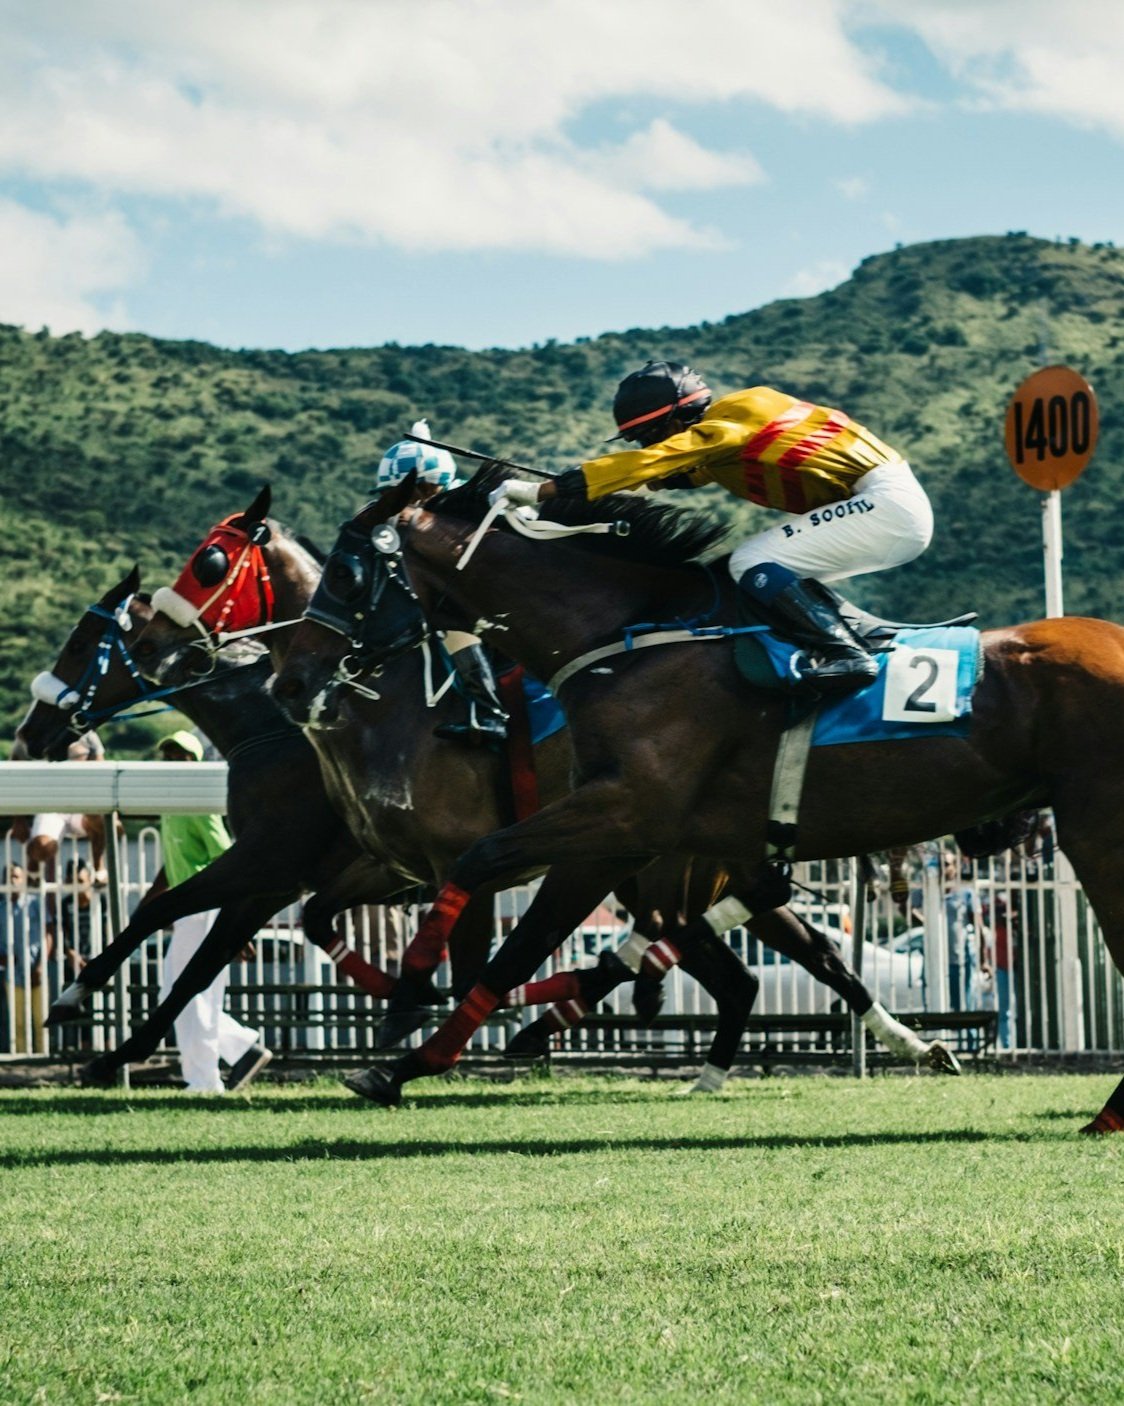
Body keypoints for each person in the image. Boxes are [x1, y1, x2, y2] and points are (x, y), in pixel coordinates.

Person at [493, 361, 933, 694]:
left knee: (752, 561)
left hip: (883, 504)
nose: (652, 446)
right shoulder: (731, 433)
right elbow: (688, 469)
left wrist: (540, 491)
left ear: (678, 417)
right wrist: (649, 475)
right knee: (766, 573)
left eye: (650, 434)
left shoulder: (734, 415)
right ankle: (857, 633)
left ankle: (846, 654)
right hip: (884, 506)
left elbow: (663, 460)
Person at [148, 731, 271, 1092]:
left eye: (180, 756)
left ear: (195, 762)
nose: (172, 761)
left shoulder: (197, 805)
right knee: (173, 994)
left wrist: (239, 922)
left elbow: (227, 858)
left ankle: (204, 1081)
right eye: (167, 755)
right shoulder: (172, 805)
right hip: (194, 910)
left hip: (207, 909)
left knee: (189, 996)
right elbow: (174, 864)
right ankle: (242, 1047)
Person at [375, 419, 508, 742]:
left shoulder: (464, 510)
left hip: (492, 606)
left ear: (425, 489)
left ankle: (489, 713)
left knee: (453, 631)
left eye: (402, 495)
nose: (396, 503)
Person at [0, 863, 46, 1053]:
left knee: (41, 1020)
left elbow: (49, 932)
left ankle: (43, 1058)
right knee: (18, 1022)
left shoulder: (34, 904)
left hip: (36, 969)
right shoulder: (1, 909)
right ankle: (21, 1057)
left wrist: (41, 965)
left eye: (17, 876)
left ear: (24, 879)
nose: (12, 880)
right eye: (8, 877)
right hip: (13, 972)